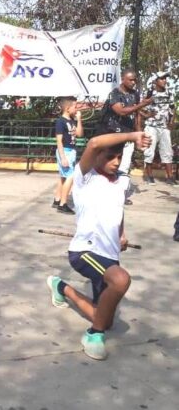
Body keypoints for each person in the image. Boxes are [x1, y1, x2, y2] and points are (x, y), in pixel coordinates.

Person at [46, 130, 152, 360]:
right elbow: (93, 143)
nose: (115, 162)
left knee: (104, 318)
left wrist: (121, 234)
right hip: (85, 251)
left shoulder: (123, 181)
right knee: (121, 279)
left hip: (110, 254)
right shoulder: (85, 177)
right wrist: (133, 135)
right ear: (95, 158)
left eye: (119, 157)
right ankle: (93, 335)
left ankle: (60, 287)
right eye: (109, 157)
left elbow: (117, 209)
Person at [98, 68, 152, 203]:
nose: (134, 82)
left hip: (128, 135)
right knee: (108, 165)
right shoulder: (114, 94)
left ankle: (120, 195)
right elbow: (121, 111)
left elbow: (137, 114)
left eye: (135, 80)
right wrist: (141, 104)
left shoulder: (135, 94)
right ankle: (103, 192)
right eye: (131, 80)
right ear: (123, 79)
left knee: (124, 166)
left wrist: (139, 133)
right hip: (111, 135)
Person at [142, 71, 176, 186]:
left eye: (166, 78)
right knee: (149, 152)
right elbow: (138, 107)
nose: (165, 80)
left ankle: (170, 177)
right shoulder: (150, 93)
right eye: (162, 78)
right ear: (156, 81)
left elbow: (172, 108)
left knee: (167, 151)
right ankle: (149, 176)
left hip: (164, 127)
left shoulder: (169, 92)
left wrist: (171, 122)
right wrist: (146, 115)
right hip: (151, 127)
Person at [52, 97, 84, 214]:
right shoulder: (60, 121)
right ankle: (63, 204)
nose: (76, 109)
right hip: (65, 151)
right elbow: (59, 141)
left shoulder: (72, 120)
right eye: (75, 106)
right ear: (67, 108)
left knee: (64, 176)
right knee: (71, 176)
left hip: (71, 151)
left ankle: (57, 199)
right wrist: (63, 157)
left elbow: (80, 134)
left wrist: (79, 119)